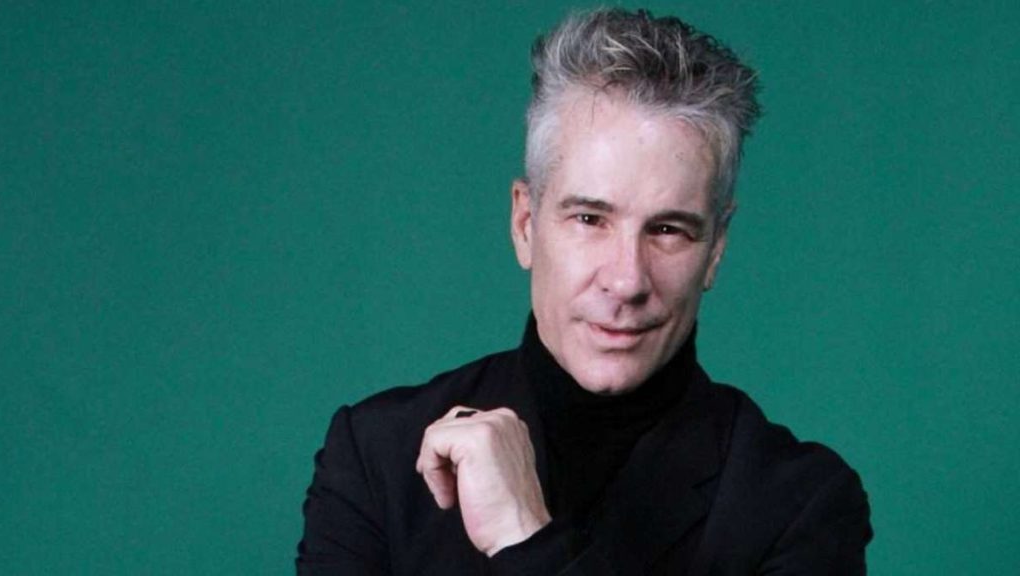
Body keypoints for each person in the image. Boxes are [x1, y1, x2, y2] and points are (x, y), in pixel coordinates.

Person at [297, 8, 872, 575]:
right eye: (590, 219)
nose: (627, 280)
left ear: (715, 250)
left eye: (668, 230)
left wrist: (525, 539)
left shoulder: (800, 504)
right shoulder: (377, 456)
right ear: (525, 224)